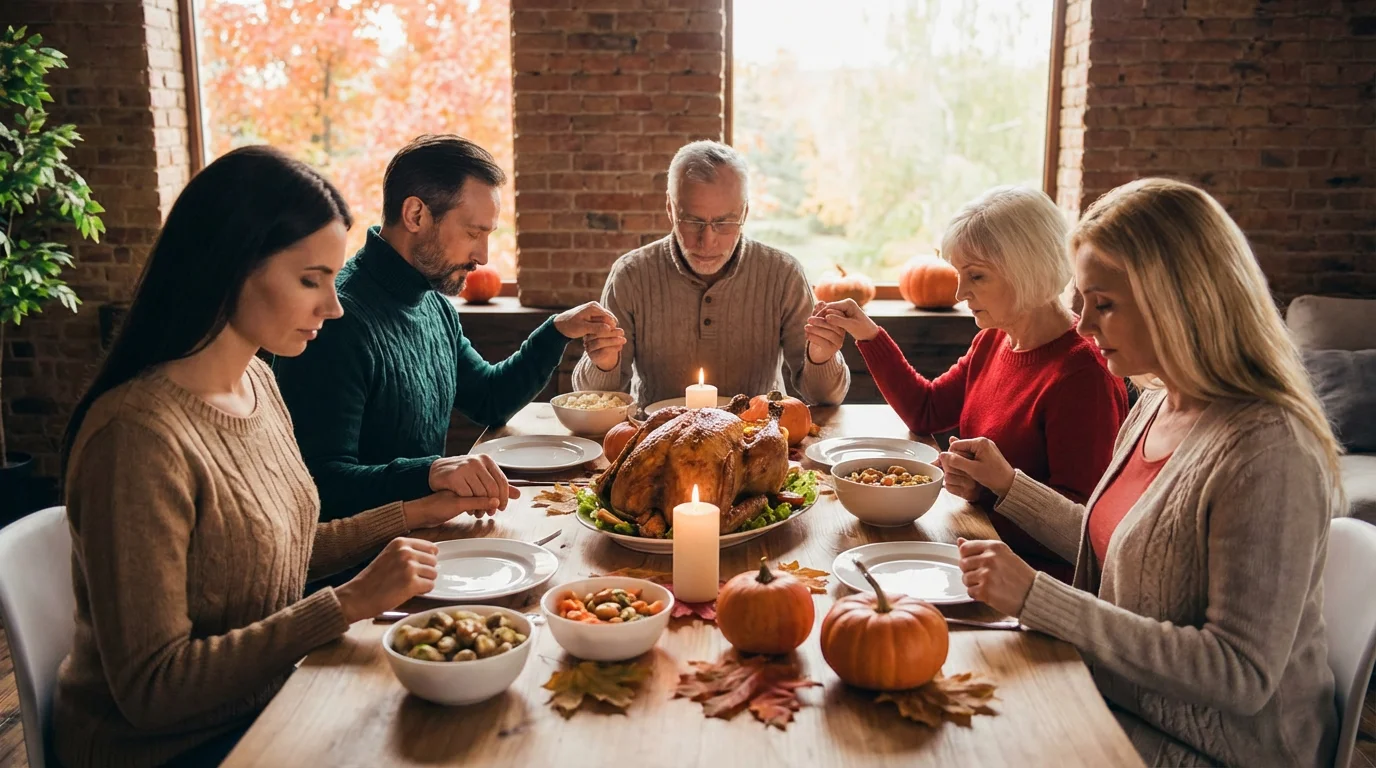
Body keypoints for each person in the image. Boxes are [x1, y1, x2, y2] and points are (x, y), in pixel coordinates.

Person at [54, 146, 466, 768]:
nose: (333, 306)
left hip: (271, 702)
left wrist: (413, 512)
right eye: (311, 280)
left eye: (333, 277)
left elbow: (279, 551)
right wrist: (347, 604)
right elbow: (152, 689)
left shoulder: (258, 382)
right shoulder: (136, 438)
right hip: (167, 750)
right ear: (230, 267)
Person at [948, 178, 1340, 767]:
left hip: (1216, 747)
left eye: (1102, 304)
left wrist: (1038, 598)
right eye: (1082, 301)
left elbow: (1239, 674)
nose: (1081, 326)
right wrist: (1008, 486)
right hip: (1118, 696)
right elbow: (1120, 543)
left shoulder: (1268, 450)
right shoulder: (1158, 401)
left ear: (1182, 299)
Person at [273, 135, 623, 527]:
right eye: (474, 233)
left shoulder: (433, 303)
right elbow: (319, 486)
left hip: (426, 538)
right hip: (365, 568)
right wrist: (430, 472)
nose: (484, 256)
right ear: (416, 215)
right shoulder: (335, 322)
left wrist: (557, 331)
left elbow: (490, 398)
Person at [814, 186, 1127, 578]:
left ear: (1027, 268)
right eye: (959, 275)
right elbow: (925, 411)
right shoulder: (995, 339)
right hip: (977, 552)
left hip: (1032, 586)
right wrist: (868, 335)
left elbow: (1085, 540)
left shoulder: (1084, 376)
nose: (961, 293)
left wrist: (994, 491)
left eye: (976, 276)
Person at [570, 140, 850, 407]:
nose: (707, 241)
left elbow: (825, 399)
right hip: (655, 441)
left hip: (756, 440)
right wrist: (602, 364)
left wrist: (821, 358)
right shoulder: (630, 275)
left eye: (724, 222)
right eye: (692, 221)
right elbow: (594, 401)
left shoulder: (783, 275)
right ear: (670, 208)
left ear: (745, 212)